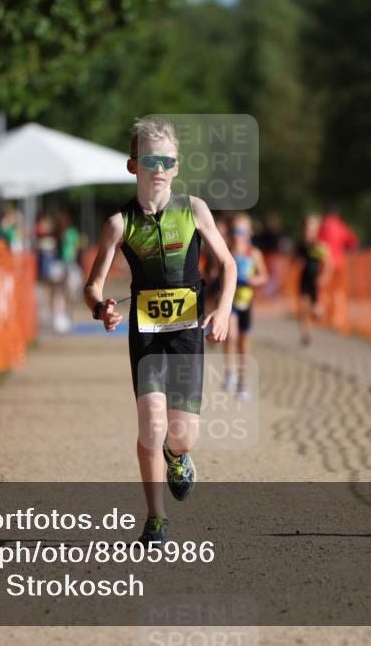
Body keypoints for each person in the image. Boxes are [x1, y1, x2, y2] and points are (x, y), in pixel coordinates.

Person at [83, 116, 236, 546]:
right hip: (145, 333)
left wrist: (222, 310)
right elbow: (92, 284)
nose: (159, 168)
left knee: (183, 435)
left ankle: (177, 456)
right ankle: (155, 518)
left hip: (187, 333)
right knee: (150, 423)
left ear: (176, 166)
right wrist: (101, 308)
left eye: (167, 160)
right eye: (150, 160)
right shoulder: (119, 223)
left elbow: (228, 264)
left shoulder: (194, 210)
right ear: (133, 166)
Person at [224, 214, 268, 399]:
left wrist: (252, 280)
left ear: (249, 233)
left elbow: (264, 275)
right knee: (231, 336)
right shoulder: (226, 252)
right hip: (230, 302)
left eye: (241, 231)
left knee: (244, 341)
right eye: (234, 231)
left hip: (246, 303)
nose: (237, 236)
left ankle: (243, 381)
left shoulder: (254, 254)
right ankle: (230, 372)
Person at [297, 213, 329, 346]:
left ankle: (320, 312)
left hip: (315, 278)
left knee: (314, 308)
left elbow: (328, 262)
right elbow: (296, 260)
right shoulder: (300, 244)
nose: (307, 230)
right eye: (306, 227)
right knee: (304, 307)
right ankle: (306, 333)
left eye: (310, 227)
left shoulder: (319, 245)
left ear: (316, 229)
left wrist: (324, 276)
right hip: (304, 277)